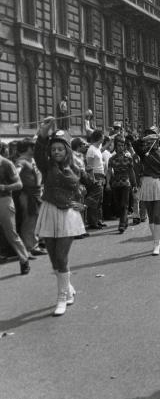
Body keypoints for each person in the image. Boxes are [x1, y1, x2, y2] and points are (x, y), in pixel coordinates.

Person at [34, 118, 87, 316]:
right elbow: (39, 153)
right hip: (49, 212)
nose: (56, 152)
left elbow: (90, 187)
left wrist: (84, 205)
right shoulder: (46, 167)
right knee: (53, 260)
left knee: (61, 257)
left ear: (67, 151)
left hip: (68, 216)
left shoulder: (75, 167)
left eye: (60, 149)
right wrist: (42, 134)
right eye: (53, 149)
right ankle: (68, 287)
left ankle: (61, 297)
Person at [133, 130, 160, 255]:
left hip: (159, 185)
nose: (152, 143)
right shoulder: (144, 153)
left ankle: (156, 244)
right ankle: (156, 239)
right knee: (151, 217)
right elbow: (135, 144)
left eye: (154, 140)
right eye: (149, 141)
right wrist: (146, 137)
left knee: (157, 215)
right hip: (146, 184)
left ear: (157, 142)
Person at [0, 143, 31, 275]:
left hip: (4, 200)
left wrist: (4, 187)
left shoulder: (6, 164)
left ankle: (24, 260)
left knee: (10, 233)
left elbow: (19, 184)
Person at [14, 137, 46, 256]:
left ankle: (34, 244)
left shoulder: (31, 160)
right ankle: (29, 247)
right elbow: (16, 172)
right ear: (28, 148)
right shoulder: (21, 161)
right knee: (29, 221)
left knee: (35, 220)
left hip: (36, 194)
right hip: (28, 195)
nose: (35, 149)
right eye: (33, 147)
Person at [106, 134, 137, 233]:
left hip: (126, 184)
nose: (121, 147)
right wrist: (107, 183)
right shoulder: (112, 158)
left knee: (124, 205)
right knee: (118, 205)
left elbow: (131, 172)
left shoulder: (128, 158)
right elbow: (109, 172)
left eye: (122, 145)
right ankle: (125, 219)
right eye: (119, 145)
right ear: (115, 146)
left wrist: (134, 184)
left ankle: (122, 225)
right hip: (115, 184)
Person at [85, 130, 105, 229]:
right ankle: (93, 222)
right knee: (94, 200)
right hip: (95, 176)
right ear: (99, 137)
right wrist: (93, 178)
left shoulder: (97, 148)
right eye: (102, 136)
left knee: (100, 200)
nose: (104, 137)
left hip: (101, 176)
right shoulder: (91, 149)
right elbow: (89, 166)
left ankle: (99, 220)